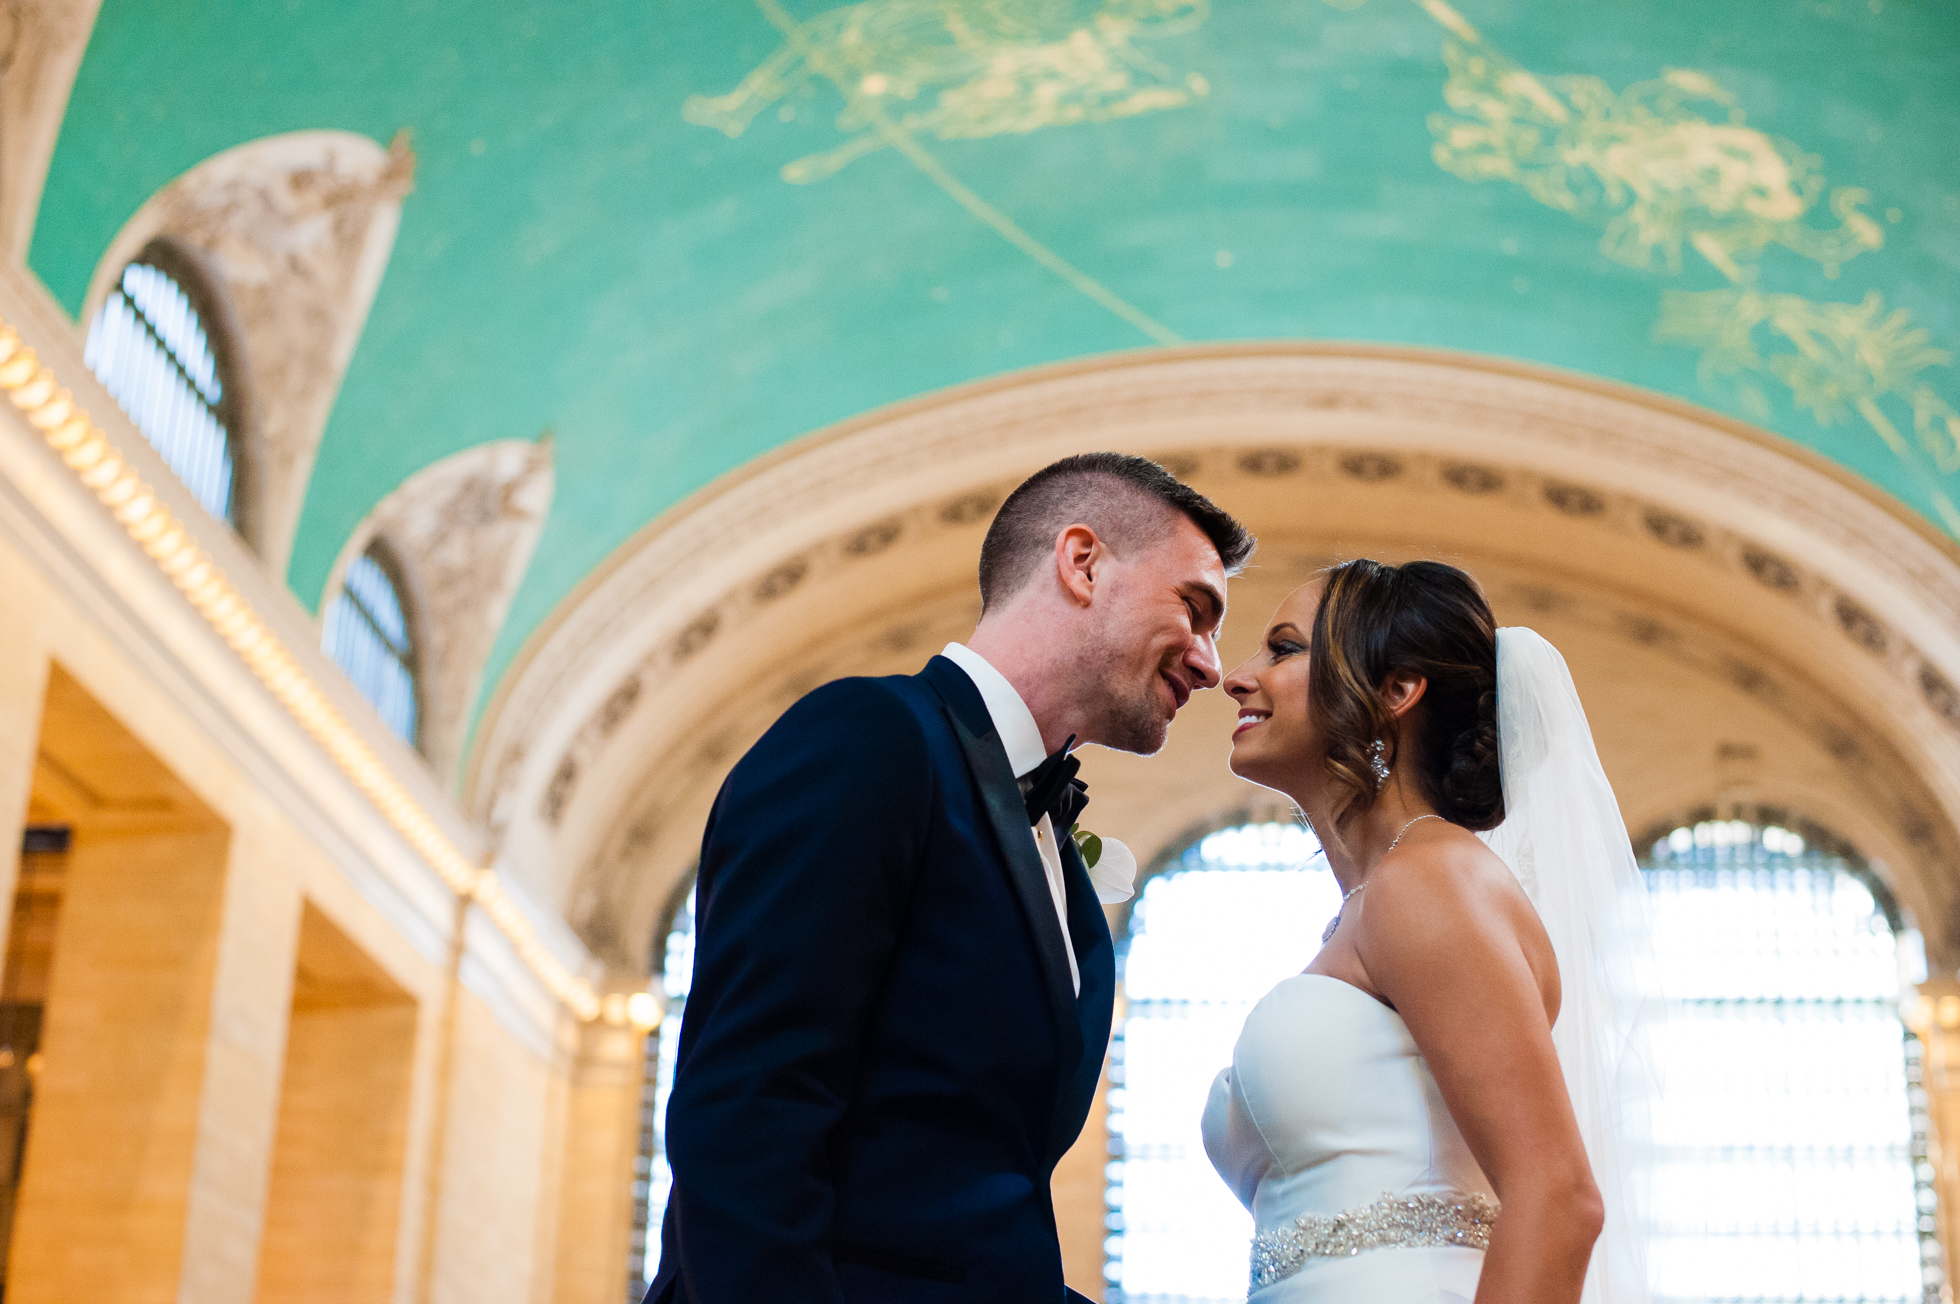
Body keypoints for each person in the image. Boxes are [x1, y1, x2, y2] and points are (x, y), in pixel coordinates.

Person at [646, 452, 1254, 1304]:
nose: (1210, 663)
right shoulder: (869, 739)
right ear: (1083, 563)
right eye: (1195, 611)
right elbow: (750, 1112)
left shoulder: (1062, 869)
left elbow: (969, 1214)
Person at [1206, 559, 1652, 1303]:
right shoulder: (1375, 903)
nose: (1237, 677)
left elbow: (1559, 1197)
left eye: (1283, 649)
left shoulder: (1428, 881)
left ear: (1397, 690)